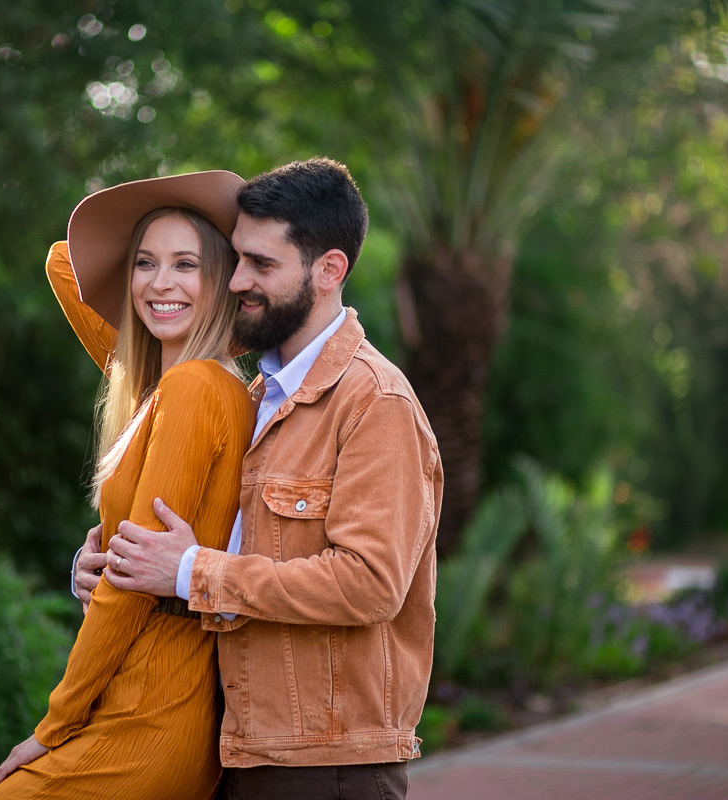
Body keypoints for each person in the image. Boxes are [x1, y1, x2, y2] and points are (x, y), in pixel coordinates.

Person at [79, 157, 442, 800]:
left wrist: (191, 570)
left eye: (262, 265)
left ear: (329, 270)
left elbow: (370, 583)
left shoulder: (374, 403)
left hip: (325, 768)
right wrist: (121, 562)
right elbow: (230, 548)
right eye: (237, 257)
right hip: (236, 750)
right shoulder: (255, 394)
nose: (237, 280)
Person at [0, 170, 255, 800]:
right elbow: (62, 265)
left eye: (186, 264)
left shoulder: (193, 389)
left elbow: (130, 588)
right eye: (143, 263)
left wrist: (52, 726)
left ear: (222, 280)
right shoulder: (168, 387)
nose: (161, 283)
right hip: (145, 709)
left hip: (147, 718)